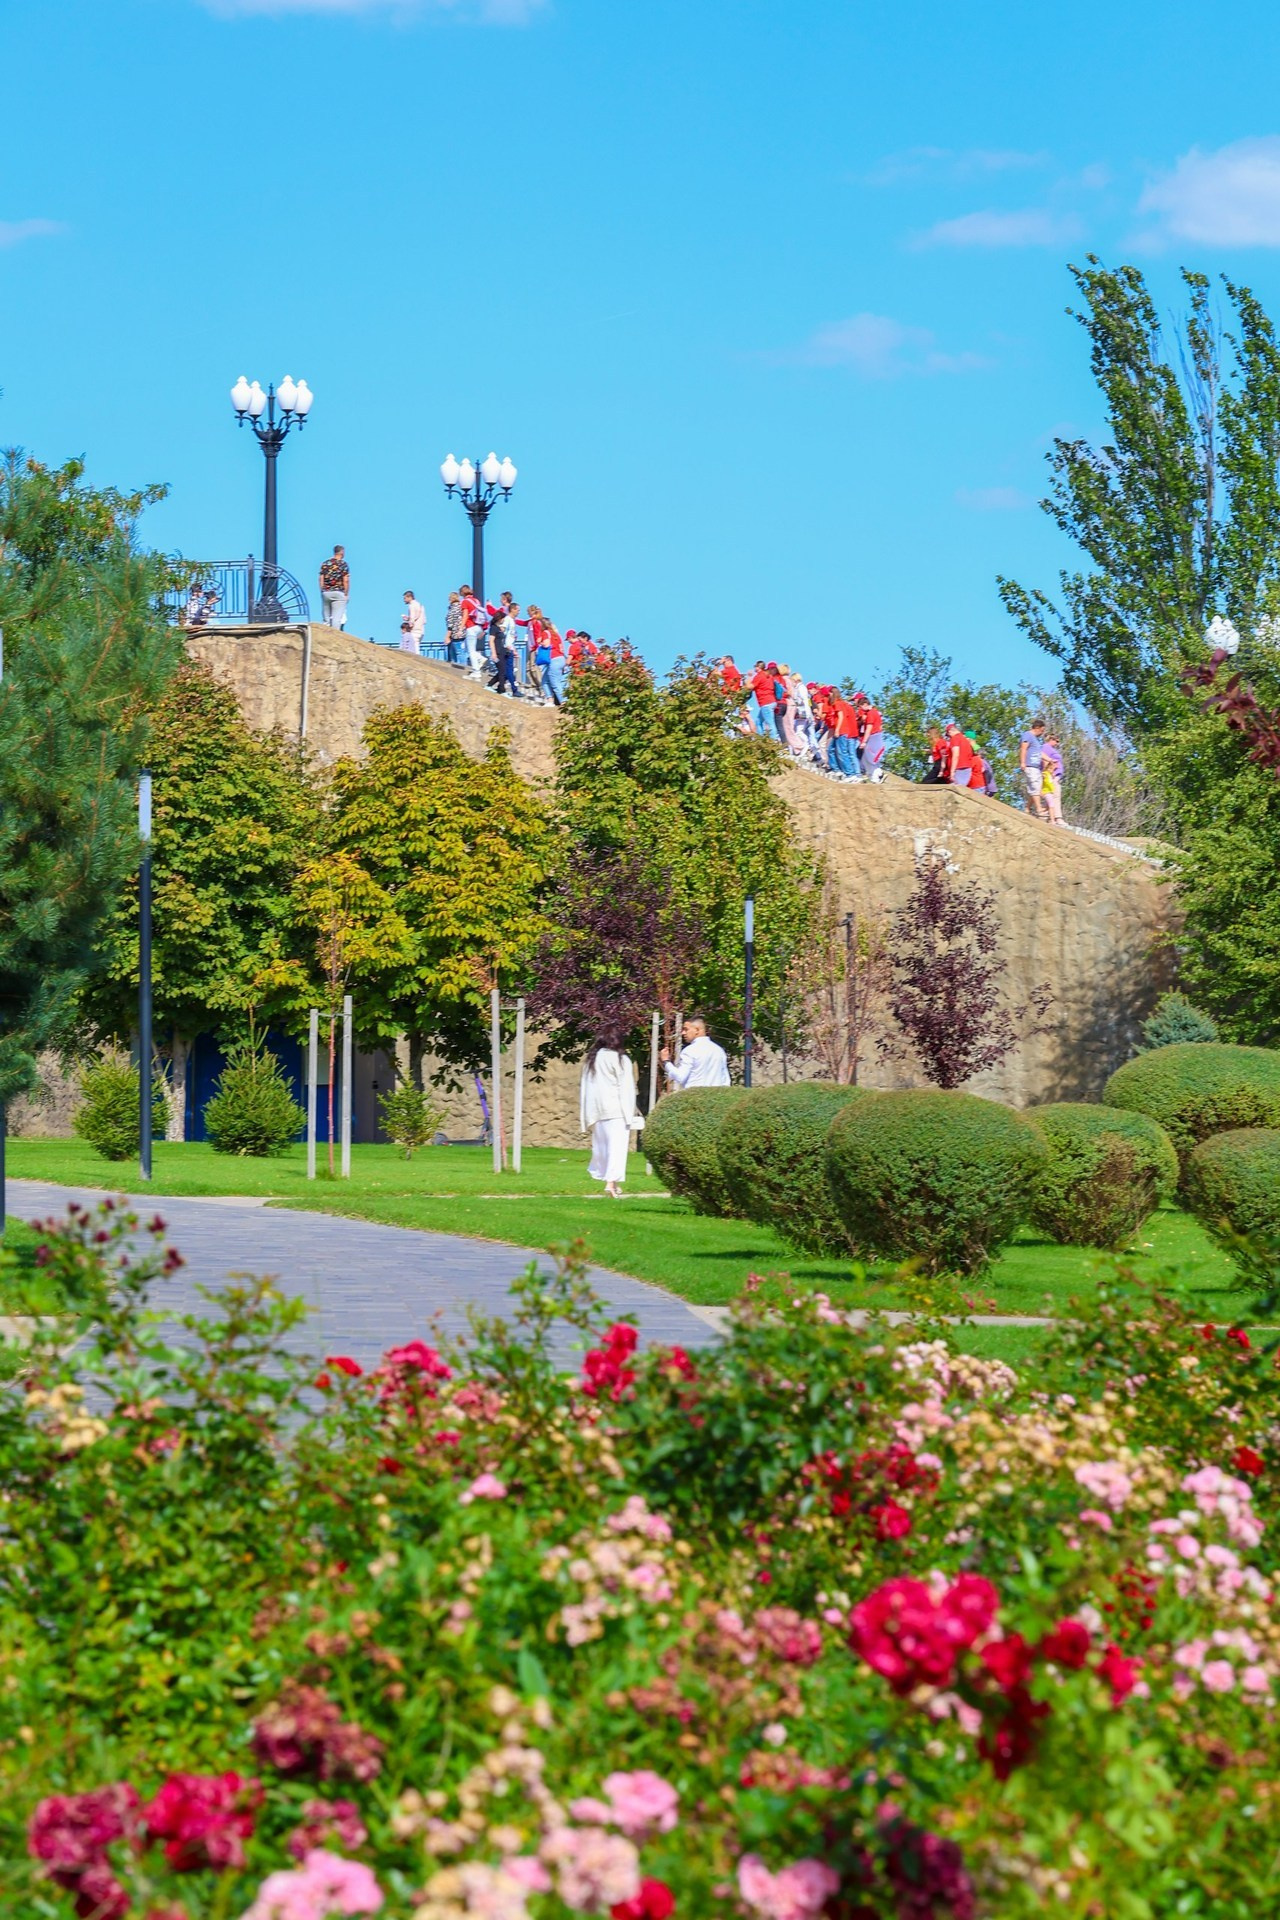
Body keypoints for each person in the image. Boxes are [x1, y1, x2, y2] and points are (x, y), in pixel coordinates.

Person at [580, 1035, 639, 1197]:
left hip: (597, 1110)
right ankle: (610, 1183)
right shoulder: (621, 1059)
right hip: (616, 1111)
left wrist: (587, 1114)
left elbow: (587, 1087)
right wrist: (630, 1111)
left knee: (603, 1148)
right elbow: (626, 1087)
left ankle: (613, 1182)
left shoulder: (592, 1060)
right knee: (617, 1148)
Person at [660, 1013, 731, 1089]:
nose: (683, 1033)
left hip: (695, 1097)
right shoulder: (719, 1050)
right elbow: (726, 1081)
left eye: (686, 1029)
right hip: (717, 1097)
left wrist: (666, 1061)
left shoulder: (689, 1051)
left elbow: (680, 1077)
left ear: (697, 1030)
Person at [1019, 716, 1047, 820]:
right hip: (1030, 765)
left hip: (1036, 767)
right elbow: (1023, 748)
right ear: (1037, 727)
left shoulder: (1036, 740)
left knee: (1036, 788)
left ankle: (1027, 808)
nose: (1042, 733)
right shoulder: (1028, 735)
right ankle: (1039, 809)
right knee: (1034, 787)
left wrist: (1050, 760)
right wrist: (1022, 762)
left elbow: (1039, 753)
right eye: (1042, 730)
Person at [855, 694, 887, 782]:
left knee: (870, 758)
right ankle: (876, 775)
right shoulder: (875, 712)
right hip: (876, 736)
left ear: (865, 704)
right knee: (867, 758)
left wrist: (864, 741)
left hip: (874, 737)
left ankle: (877, 775)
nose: (861, 709)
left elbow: (869, 729)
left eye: (861, 707)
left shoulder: (871, 714)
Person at [319, 546, 349, 630]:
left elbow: (321, 578)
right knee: (336, 619)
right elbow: (346, 580)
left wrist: (322, 590)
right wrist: (346, 593)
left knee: (326, 619)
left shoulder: (325, 563)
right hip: (339, 593)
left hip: (326, 592)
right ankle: (334, 638)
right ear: (342, 552)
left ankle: (323, 635)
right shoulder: (343, 564)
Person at [945, 721, 978, 788]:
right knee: (962, 789)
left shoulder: (955, 739)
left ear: (950, 731)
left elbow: (956, 755)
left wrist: (952, 772)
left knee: (955, 790)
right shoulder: (965, 740)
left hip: (959, 768)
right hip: (967, 768)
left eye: (948, 734)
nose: (949, 737)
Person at [1042, 734, 1065, 824]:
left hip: (1056, 776)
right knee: (1055, 795)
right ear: (1051, 739)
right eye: (1056, 741)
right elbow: (1044, 761)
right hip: (1052, 775)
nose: (1057, 743)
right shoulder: (1046, 747)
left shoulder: (1052, 749)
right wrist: (1049, 774)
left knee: (1053, 796)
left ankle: (1045, 816)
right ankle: (1057, 817)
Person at [445, 591, 467, 666]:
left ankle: (459, 667)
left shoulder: (452, 610)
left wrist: (447, 636)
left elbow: (450, 625)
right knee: (462, 651)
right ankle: (463, 666)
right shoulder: (461, 607)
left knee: (457, 652)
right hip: (463, 632)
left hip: (455, 634)